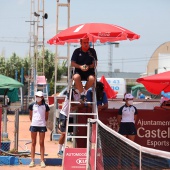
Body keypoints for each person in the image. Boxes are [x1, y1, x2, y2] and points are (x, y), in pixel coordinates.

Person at [28, 91, 50, 168]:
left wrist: (42, 122)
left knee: (41, 143)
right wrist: (34, 122)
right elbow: (30, 116)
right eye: (37, 96)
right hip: (34, 125)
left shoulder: (46, 106)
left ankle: (42, 161)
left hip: (42, 126)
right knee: (33, 142)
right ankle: (32, 161)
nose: (37, 98)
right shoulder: (32, 105)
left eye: (39, 96)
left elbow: (46, 117)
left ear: (42, 97)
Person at [57, 89, 81, 157]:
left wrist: (78, 105)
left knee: (72, 133)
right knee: (64, 133)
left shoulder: (80, 94)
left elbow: (78, 105)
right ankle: (59, 150)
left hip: (72, 116)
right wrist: (79, 105)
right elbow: (72, 104)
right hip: (64, 114)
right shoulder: (70, 92)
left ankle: (65, 149)